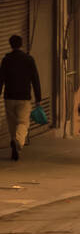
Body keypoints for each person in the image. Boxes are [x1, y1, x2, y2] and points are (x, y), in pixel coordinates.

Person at [0, 34, 42, 162]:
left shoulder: (6, 59)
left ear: (10, 44)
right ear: (21, 44)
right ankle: (18, 141)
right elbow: (35, 79)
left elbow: (1, 78)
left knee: (12, 123)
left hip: (9, 96)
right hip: (24, 97)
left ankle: (14, 146)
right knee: (23, 122)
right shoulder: (29, 59)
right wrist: (38, 97)